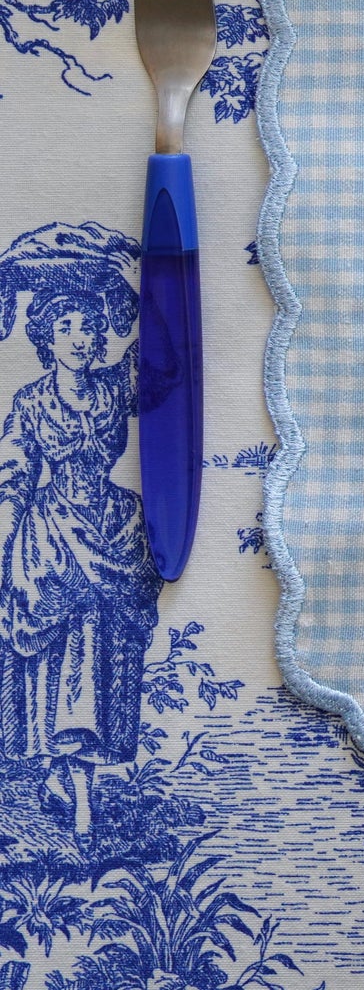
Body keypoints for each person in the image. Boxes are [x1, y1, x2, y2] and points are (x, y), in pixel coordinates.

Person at [0, 288, 156, 838]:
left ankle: (67, 776)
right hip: (53, 536)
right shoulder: (30, 400)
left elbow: (166, 354)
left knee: (108, 653)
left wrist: (138, 290)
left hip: (114, 525)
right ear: (45, 338)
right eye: (65, 326)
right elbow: (14, 472)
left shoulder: (116, 386)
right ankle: (78, 794)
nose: (80, 337)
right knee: (70, 650)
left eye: (88, 326)